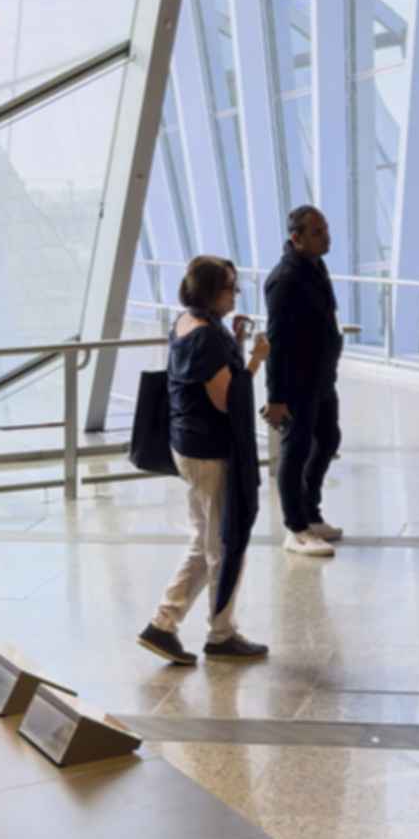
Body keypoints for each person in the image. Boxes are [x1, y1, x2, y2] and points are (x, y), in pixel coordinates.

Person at [138, 256, 271, 668]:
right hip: (209, 452)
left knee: (203, 540)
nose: (235, 293)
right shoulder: (206, 338)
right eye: (230, 286)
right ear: (213, 291)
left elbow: (212, 374)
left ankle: (164, 623)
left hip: (188, 447)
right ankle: (222, 634)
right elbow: (225, 398)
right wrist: (256, 360)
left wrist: (236, 344)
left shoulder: (185, 324)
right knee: (223, 545)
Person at [264, 204, 345, 558]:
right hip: (296, 382)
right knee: (294, 451)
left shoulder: (316, 267)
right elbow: (277, 342)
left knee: (328, 438)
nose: (326, 237)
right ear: (296, 238)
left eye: (326, 229)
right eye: (317, 232)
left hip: (321, 377)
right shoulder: (285, 279)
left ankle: (311, 512)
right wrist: (276, 397)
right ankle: (295, 528)